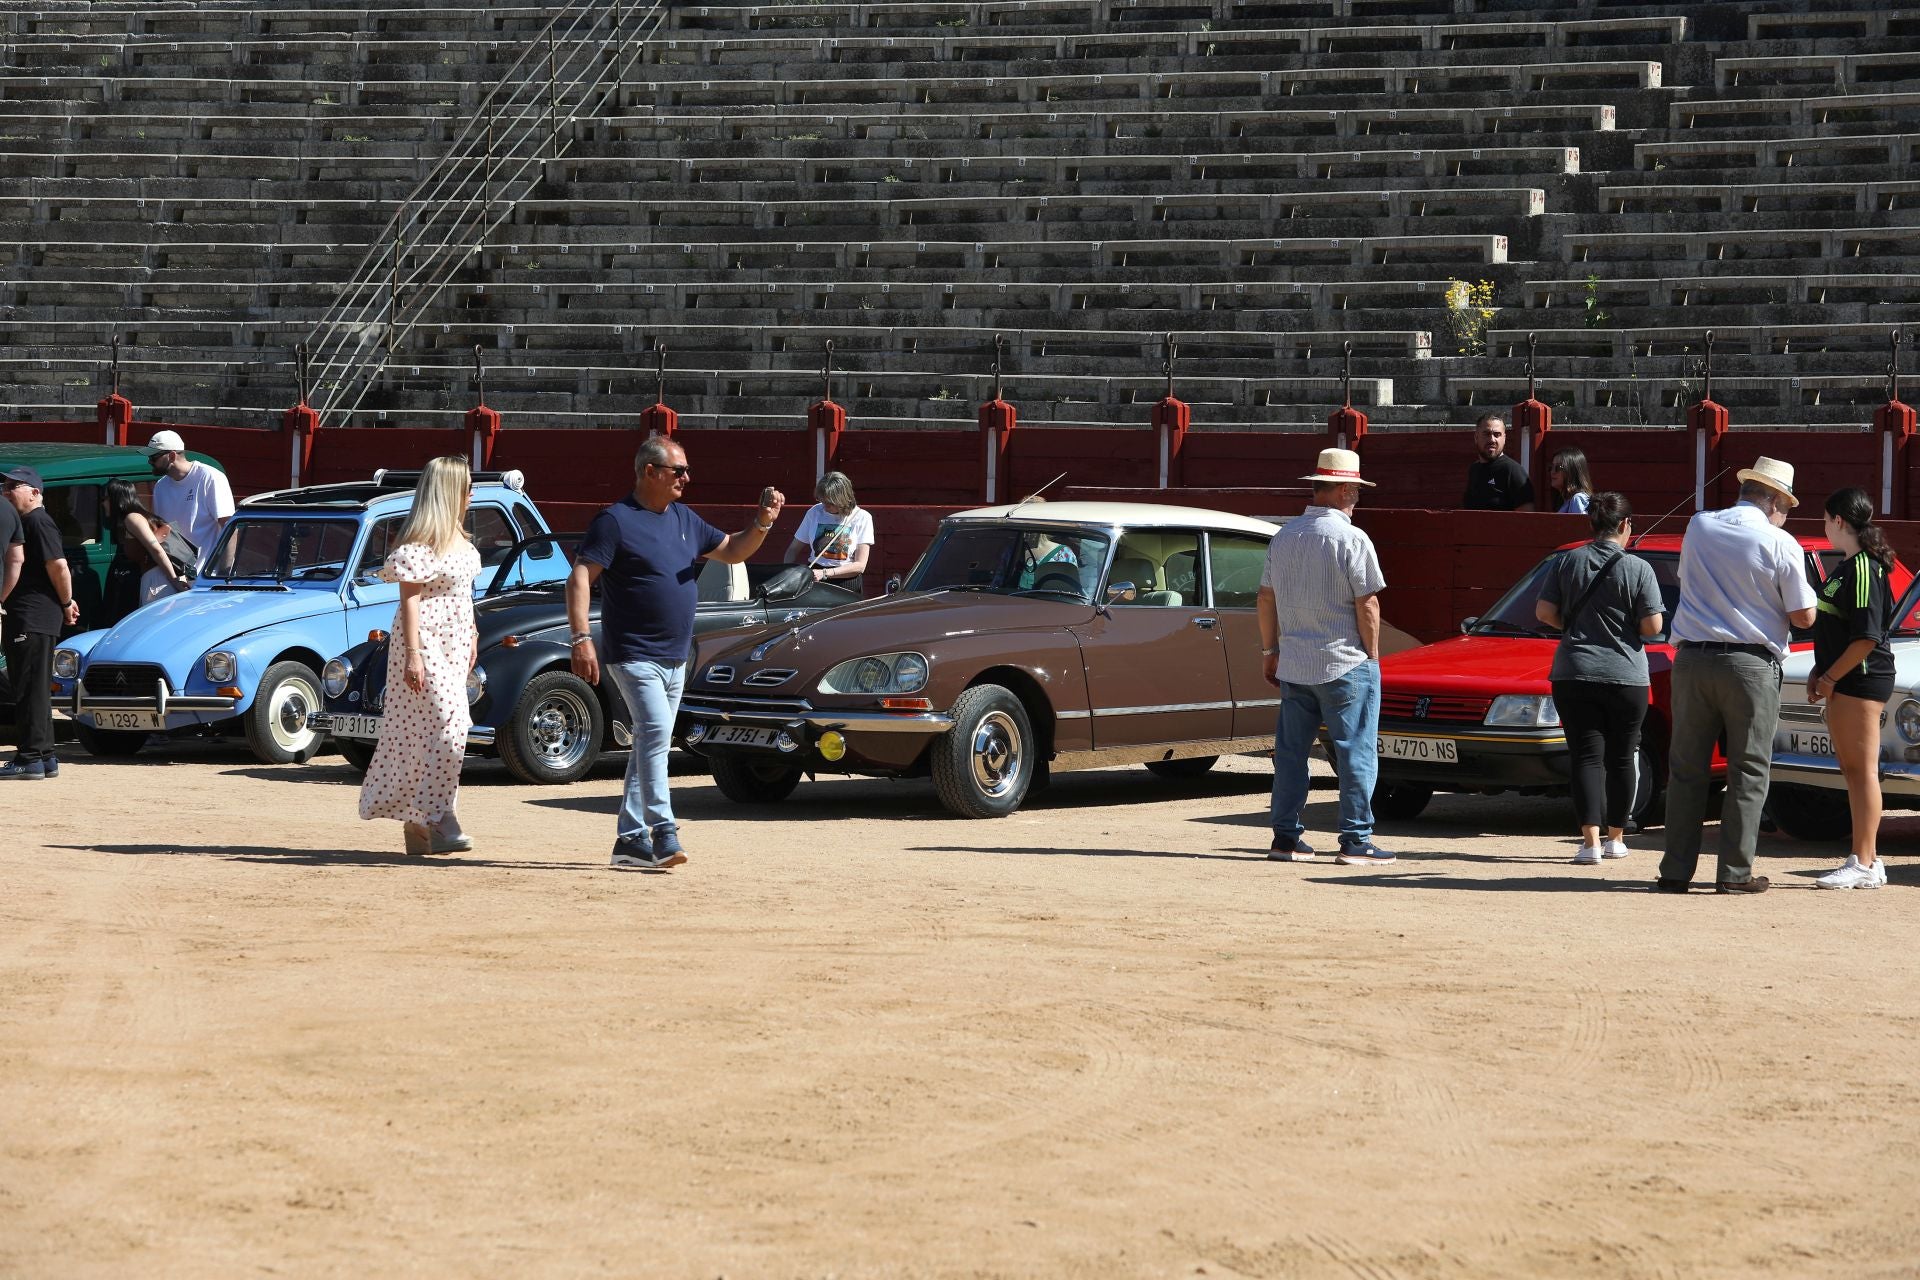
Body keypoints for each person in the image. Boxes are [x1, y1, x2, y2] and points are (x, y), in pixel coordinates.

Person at [568, 435, 785, 871]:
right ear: (650, 471)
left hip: (675, 655)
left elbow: (733, 551)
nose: (687, 477)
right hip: (633, 653)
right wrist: (581, 638)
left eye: (686, 470)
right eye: (678, 470)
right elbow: (579, 578)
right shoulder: (615, 521)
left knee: (651, 742)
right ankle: (663, 831)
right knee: (653, 736)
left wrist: (763, 522)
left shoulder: (685, 518)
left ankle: (630, 840)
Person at [1656, 457, 1817, 895]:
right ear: (1775, 501)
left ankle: (1675, 871)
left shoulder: (1699, 525)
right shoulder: (1781, 541)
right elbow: (1803, 616)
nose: (1786, 515)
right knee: (1748, 770)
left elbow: (1687, 581)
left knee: (1686, 769)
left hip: (1692, 658)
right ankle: (1734, 872)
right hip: (1750, 665)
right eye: (1787, 507)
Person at [1258, 447, 1392, 866]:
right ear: (1344, 490)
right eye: (1356, 490)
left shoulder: (1284, 535)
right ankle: (1355, 840)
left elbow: (1265, 598)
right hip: (1344, 661)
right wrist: (1372, 655)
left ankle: (1285, 838)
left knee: (1291, 754)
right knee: (1355, 752)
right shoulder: (1352, 538)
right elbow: (1368, 604)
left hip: (1296, 661)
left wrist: (1270, 650)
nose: (1357, 498)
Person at [357, 456, 482, 856]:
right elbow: (409, 602)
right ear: (448, 491)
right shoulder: (418, 547)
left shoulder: (462, 541)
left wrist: (473, 633)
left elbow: (465, 596)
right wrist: (413, 655)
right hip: (423, 640)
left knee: (430, 731)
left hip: (456, 642)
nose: (472, 493)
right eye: (466, 487)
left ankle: (418, 824)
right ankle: (438, 815)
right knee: (452, 724)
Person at [1534, 493, 1664, 865]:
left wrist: (1574, 626)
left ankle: (1589, 843)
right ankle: (1616, 838)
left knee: (1585, 757)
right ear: (1625, 525)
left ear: (1592, 523)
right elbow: (1653, 625)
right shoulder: (1638, 567)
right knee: (1622, 757)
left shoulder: (1567, 561)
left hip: (1574, 671)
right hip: (1626, 676)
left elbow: (1543, 612)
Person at [1809, 487, 1898, 890]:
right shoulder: (1848, 565)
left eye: (1826, 519)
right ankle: (1867, 860)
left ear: (1839, 520)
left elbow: (1865, 637)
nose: (1824, 527)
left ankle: (1864, 861)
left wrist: (1829, 677)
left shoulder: (1864, 567)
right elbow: (1838, 630)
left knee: (1862, 772)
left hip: (1860, 679)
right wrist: (1820, 671)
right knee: (1852, 769)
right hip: (1845, 679)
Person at [0, 466, 80, 779]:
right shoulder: (28, 521)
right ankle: (45, 756)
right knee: (35, 687)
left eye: (13, 486)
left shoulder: (37, 521)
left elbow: (58, 565)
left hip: (31, 615)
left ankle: (30, 757)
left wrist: (66, 602)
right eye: (4, 486)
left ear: (35, 492)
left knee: (28, 689)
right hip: (35, 614)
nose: (6, 492)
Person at [102, 479, 194, 625]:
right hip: (156, 578)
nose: (103, 503)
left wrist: (174, 581)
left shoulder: (132, 518)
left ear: (116, 499)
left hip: (158, 581)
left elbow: (156, 549)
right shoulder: (137, 518)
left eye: (105, 498)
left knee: (155, 625)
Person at [146, 430, 233, 567]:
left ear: (172, 456)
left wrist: (225, 572)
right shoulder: (160, 486)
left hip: (204, 573)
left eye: (153, 457)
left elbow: (229, 526)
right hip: (174, 572)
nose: (149, 461)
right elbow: (162, 531)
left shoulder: (210, 477)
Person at [785, 470, 873, 590]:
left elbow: (860, 566)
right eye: (822, 501)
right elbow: (793, 549)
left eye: (830, 503)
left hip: (845, 581)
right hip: (815, 577)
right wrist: (787, 572)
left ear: (843, 499)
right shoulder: (814, 512)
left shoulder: (862, 517)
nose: (825, 506)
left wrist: (825, 573)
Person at [1461, 414, 1535, 511]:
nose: (1492, 439)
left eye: (1497, 434)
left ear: (1504, 438)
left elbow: (1526, 516)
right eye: (1486, 434)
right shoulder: (1474, 469)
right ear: (1476, 437)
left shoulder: (1513, 471)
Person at [1547, 448, 1594, 515]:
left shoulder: (1577, 499)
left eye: (1558, 468)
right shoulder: (1564, 500)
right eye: (1551, 467)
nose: (1552, 472)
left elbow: (1581, 522)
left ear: (1572, 471)